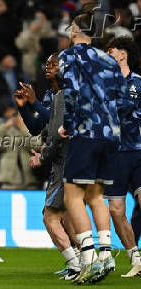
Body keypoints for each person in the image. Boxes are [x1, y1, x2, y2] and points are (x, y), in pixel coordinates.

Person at [57, 13, 131, 284]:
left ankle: (88, 259)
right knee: (96, 196)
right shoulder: (108, 59)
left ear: (75, 30)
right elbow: (123, 98)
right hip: (111, 136)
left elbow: (72, 93)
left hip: (86, 133)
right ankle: (107, 255)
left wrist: (67, 125)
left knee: (72, 198)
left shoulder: (69, 56)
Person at [16, 53, 81, 280]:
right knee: (67, 216)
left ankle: (79, 264)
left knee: (51, 216)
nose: (48, 67)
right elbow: (37, 127)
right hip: (59, 158)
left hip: (65, 158)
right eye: (47, 64)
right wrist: (24, 108)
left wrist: (34, 102)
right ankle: (84, 260)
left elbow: (59, 122)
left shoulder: (68, 94)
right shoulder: (49, 94)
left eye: (54, 64)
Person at [104, 36, 141, 277]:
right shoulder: (104, 82)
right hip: (113, 155)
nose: (107, 54)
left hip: (137, 151)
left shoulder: (137, 82)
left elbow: (124, 108)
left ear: (122, 54)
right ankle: (136, 259)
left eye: (111, 50)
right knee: (116, 210)